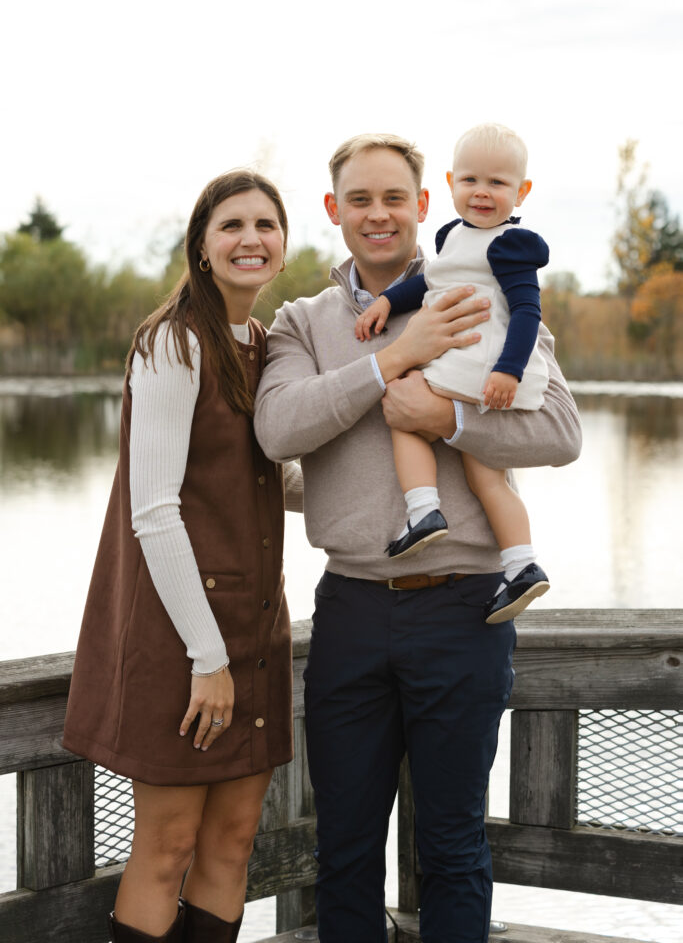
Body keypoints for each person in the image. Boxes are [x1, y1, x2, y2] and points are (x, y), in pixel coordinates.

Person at [254, 134, 581, 943]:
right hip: (352, 614)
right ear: (333, 212)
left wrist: (451, 418)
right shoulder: (301, 322)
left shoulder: (484, 291)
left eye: (393, 198)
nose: (377, 215)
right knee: (345, 848)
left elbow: (561, 430)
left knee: (452, 846)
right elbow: (275, 430)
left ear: (422, 205)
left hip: (465, 612)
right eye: (358, 200)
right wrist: (391, 361)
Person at [63, 170, 302, 943]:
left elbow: (268, 478)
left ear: (283, 244)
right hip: (185, 642)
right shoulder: (171, 342)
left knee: (232, 845)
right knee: (166, 850)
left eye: (266, 225)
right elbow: (153, 511)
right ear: (201, 245)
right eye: (231, 225)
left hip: (256, 633)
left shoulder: (264, 346)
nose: (250, 239)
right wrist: (206, 656)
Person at [354, 123, 550, 624]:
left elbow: (528, 312)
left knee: (402, 405)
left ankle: (422, 511)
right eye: (470, 180)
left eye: (498, 183)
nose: (482, 192)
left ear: (521, 191)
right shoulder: (453, 237)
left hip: (481, 366)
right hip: (474, 372)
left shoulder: (511, 245)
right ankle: (521, 564)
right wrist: (385, 301)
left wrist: (508, 370)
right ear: (450, 183)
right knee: (489, 479)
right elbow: (427, 286)